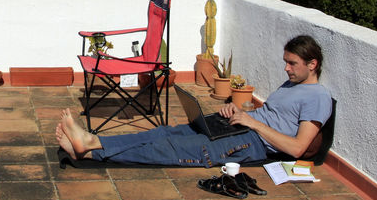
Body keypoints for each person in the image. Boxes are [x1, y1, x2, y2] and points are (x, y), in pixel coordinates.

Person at [57, 35, 333, 167]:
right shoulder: (291, 84)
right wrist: (240, 110)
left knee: (169, 148)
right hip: (238, 126)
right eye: (286, 62)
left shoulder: (318, 97)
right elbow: (273, 115)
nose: (286, 69)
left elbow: (297, 148)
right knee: (163, 132)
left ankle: (92, 150)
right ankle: (93, 142)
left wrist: (252, 123)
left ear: (312, 64)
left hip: (251, 143)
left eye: (292, 63)